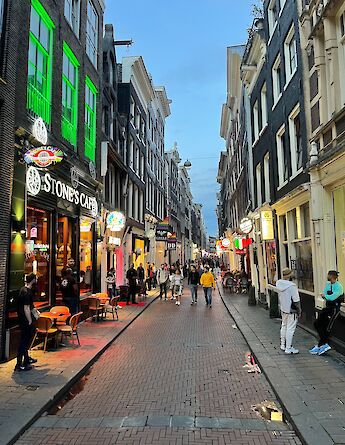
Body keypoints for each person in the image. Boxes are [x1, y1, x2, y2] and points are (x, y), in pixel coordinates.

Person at [310, 270, 344, 355]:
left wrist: (326, 296)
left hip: (334, 309)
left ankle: (322, 344)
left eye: (328, 275)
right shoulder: (328, 285)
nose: (327, 277)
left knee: (327, 327)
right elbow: (325, 293)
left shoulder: (339, 286)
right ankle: (323, 344)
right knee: (317, 324)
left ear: (332, 276)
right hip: (327, 308)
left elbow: (332, 297)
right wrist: (326, 296)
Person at [276, 268, 301, 354]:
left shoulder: (279, 284)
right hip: (291, 310)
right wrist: (299, 311)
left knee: (284, 326)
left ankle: (283, 345)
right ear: (289, 275)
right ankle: (288, 348)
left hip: (283, 309)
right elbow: (296, 300)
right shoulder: (292, 286)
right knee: (290, 328)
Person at [15, 273, 37, 371]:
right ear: (32, 280)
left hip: (21, 318)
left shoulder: (22, 290)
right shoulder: (27, 292)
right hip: (25, 320)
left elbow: (29, 306)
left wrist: (36, 312)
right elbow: (26, 307)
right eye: (35, 278)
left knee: (25, 340)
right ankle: (19, 364)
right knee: (24, 341)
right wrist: (29, 320)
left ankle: (26, 360)